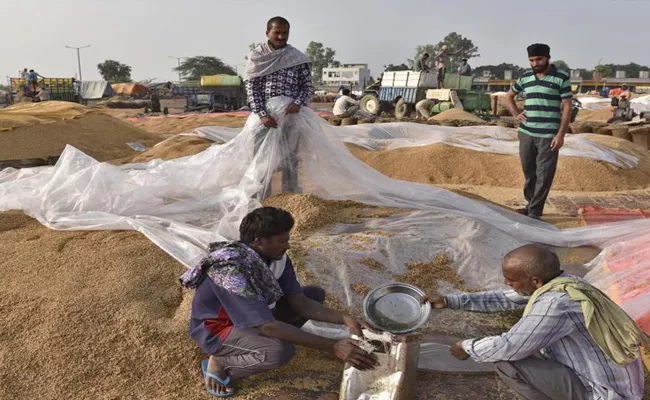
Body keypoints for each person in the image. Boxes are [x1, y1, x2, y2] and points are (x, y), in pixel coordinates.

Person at [180, 207, 378, 397]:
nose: (288, 245)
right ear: (259, 241)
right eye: (282, 241)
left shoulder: (276, 258)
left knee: (314, 294)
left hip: (255, 316)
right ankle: (222, 362)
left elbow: (300, 303)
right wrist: (332, 346)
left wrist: (346, 318)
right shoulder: (230, 272)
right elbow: (268, 327)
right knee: (278, 352)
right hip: (218, 329)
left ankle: (255, 342)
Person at [424, 244, 647, 400]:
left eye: (511, 280)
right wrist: (448, 301)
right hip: (619, 385)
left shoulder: (555, 304)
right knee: (527, 348)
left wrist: (467, 347)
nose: (506, 283)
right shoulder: (567, 283)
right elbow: (505, 299)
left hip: (604, 392)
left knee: (507, 361)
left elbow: (508, 347)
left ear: (535, 281)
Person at [244, 16, 314, 198]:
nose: (281, 36)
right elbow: (252, 88)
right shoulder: (257, 56)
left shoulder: (297, 58)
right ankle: (261, 197)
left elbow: (307, 87)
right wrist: (262, 114)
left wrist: (297, 104)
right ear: (267, 33)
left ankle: (290, 196)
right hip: (265, 119)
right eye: (277, 32)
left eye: (285, 33)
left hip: (291, 117)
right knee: (261, 159)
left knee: (290, 157)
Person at [503, 44, 572, 220]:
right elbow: (508, 96)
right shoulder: (525, 77)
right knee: (529, 172)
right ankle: (530, 204)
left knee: (544, 174)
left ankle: (534, 212)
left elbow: (567, 107)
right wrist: (516, 113)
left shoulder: (561, 78)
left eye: (539, 59)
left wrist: (560, 135)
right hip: (526, 133)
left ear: (548, 58)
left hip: (548, 136)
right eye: (532, 60)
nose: (535, 63)